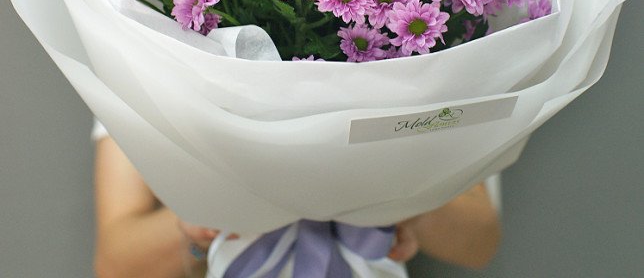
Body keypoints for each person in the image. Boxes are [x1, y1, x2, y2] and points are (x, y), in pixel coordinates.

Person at [94, 131, 501, 278]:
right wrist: (196, 224)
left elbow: (481, 240)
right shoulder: (140, 48)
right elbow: (115, 264)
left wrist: (396, 193)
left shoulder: (438, 57)